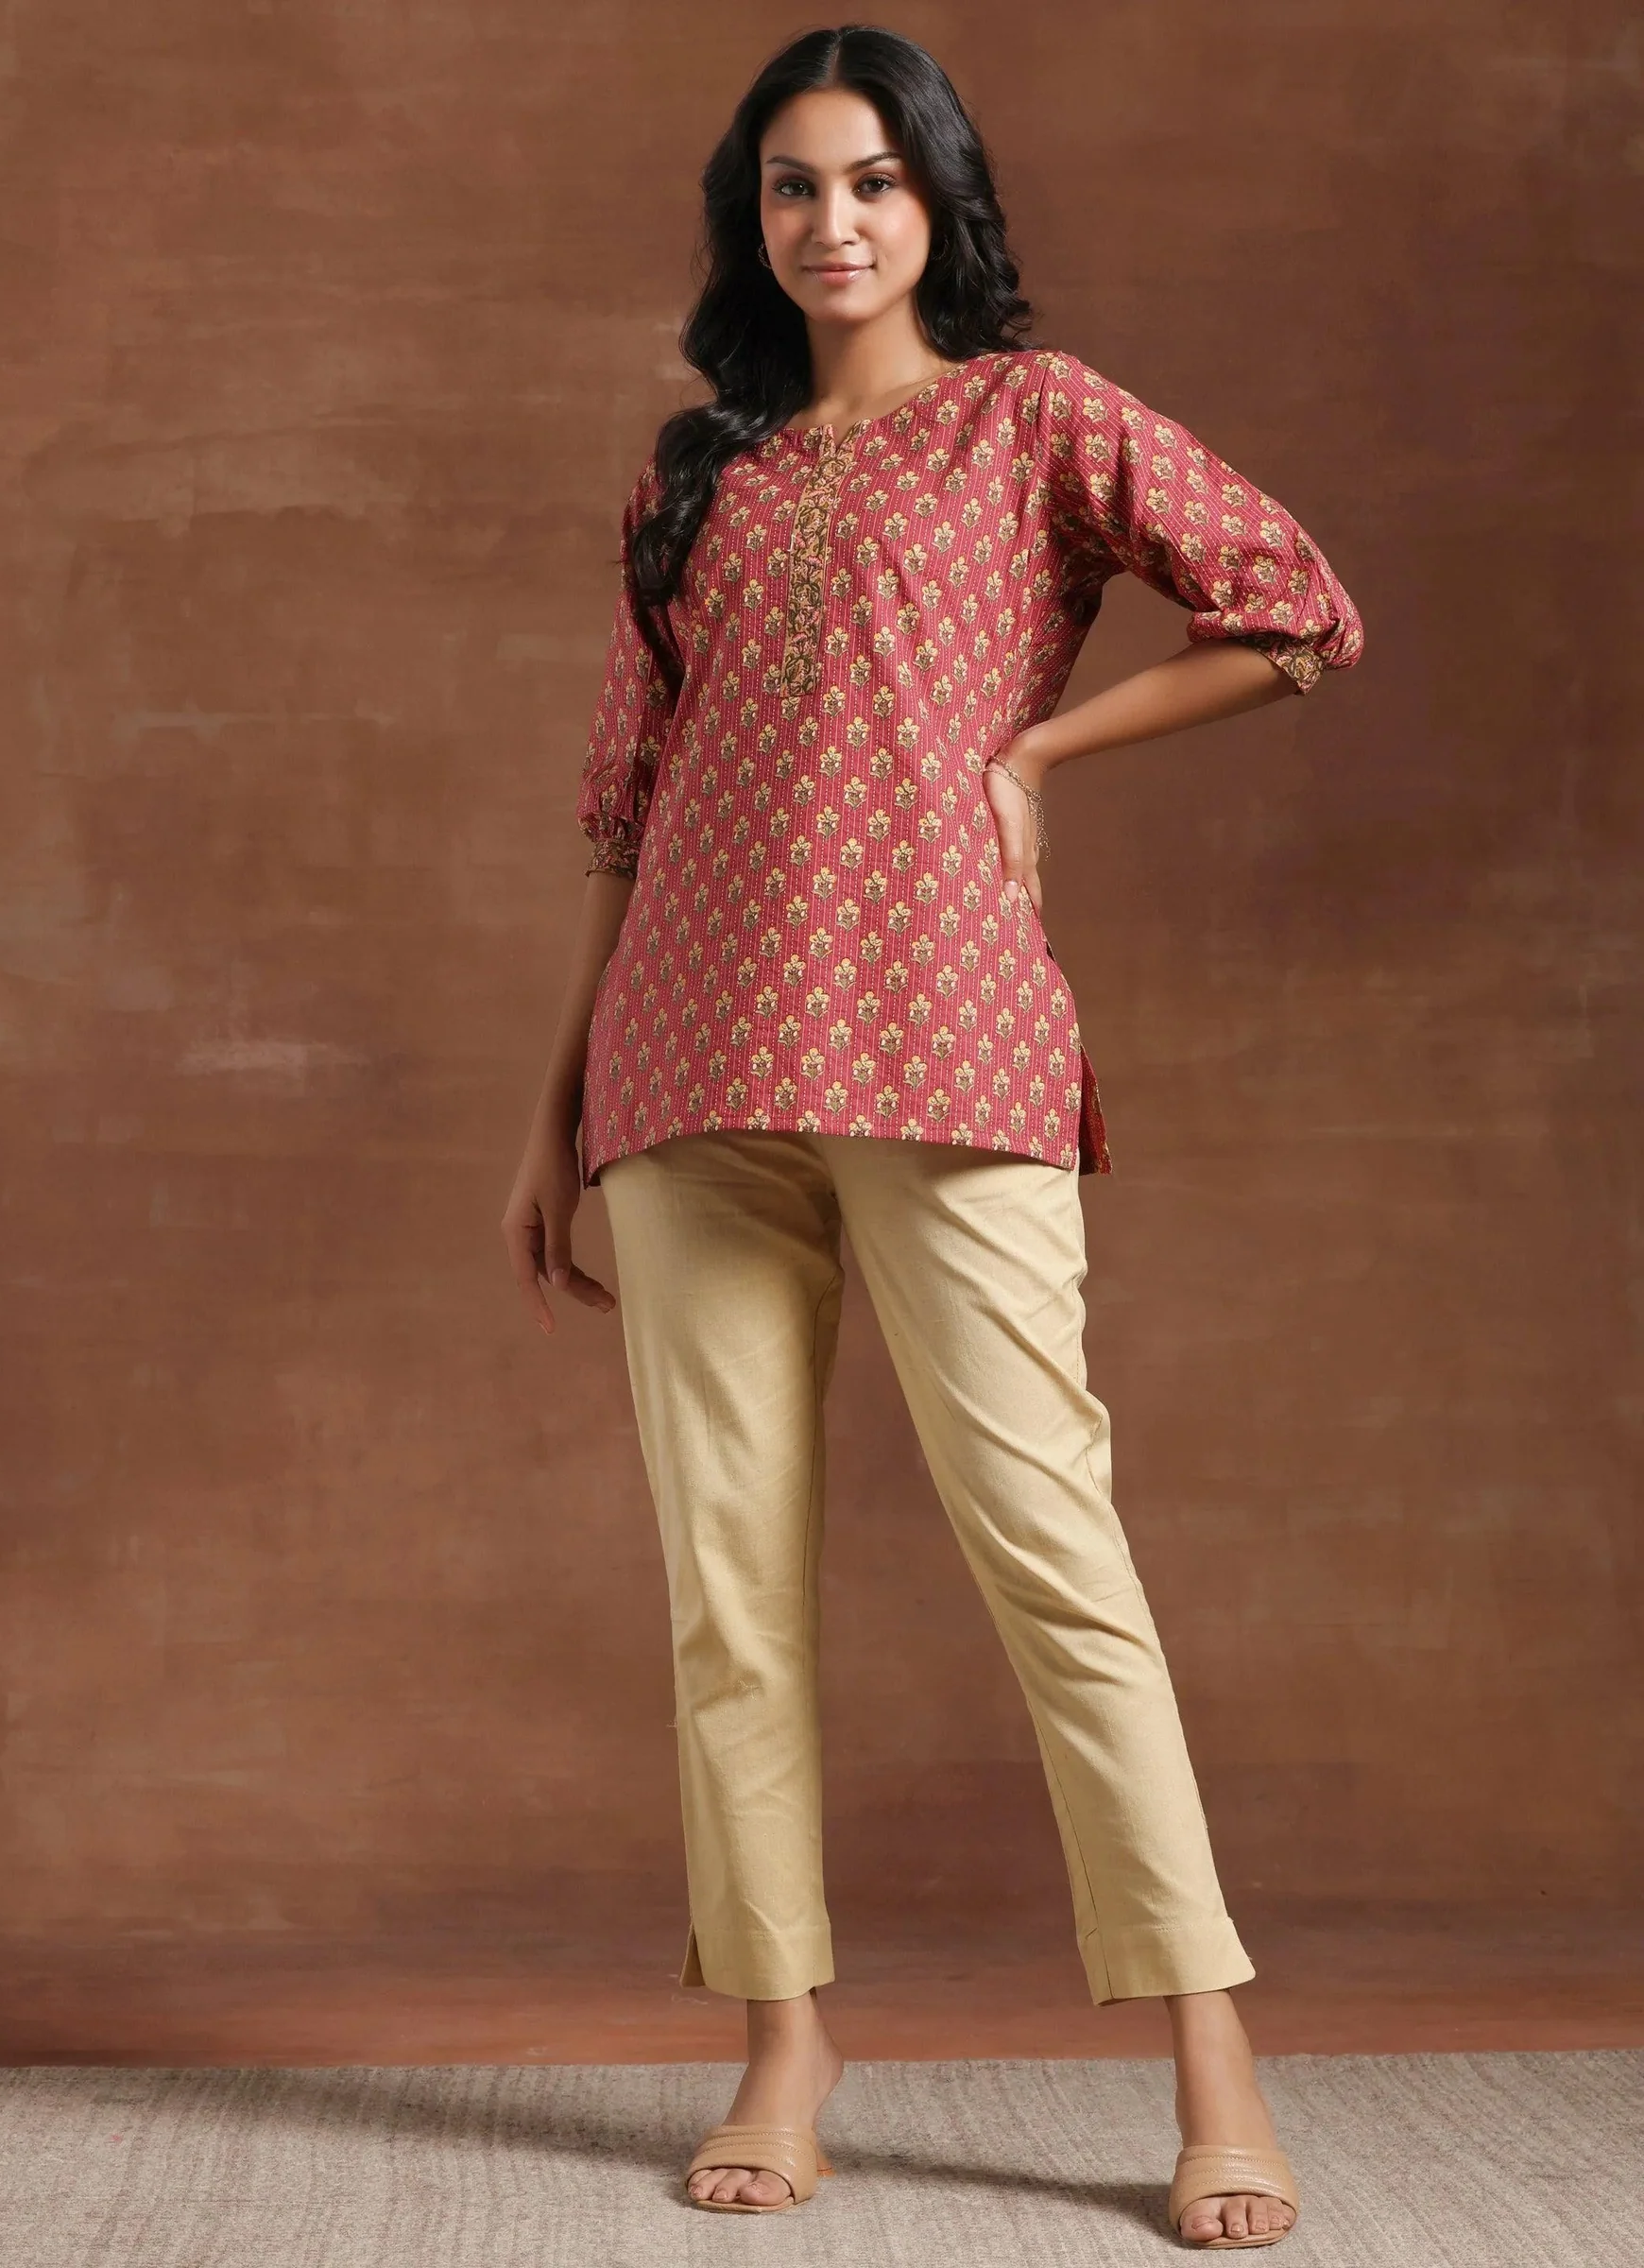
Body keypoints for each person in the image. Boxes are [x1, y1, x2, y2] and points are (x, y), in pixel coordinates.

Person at [503, 23, 1361, 2250]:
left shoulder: (1033, 418)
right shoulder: (695, 471)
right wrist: (555, 1103)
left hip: (946, 1047)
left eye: (873, 180)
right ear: (751, 217)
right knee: (728, 1592)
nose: (834, 222)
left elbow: (1293, 606)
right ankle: (783, 2043)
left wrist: (1039, 758)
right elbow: (626, 805)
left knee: (1054, 1558)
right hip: (685, 1069)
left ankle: (1213, 2053)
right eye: (792, 185)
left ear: (937, 199)